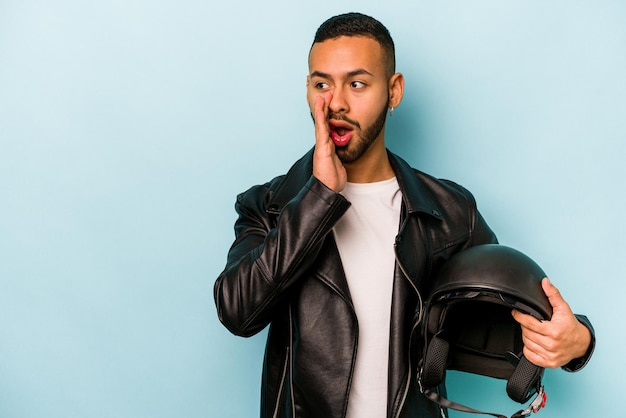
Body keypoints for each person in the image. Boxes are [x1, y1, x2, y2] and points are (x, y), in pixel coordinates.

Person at [214, 12, 595, 418]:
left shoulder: (450, 212)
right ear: (307, 89)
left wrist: (577, 342)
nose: (336, 103)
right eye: (322, 84)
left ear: (393, 91)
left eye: (357, 84)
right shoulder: (268, 205)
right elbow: (239, 311)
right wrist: (319, 197)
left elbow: (505, 317)